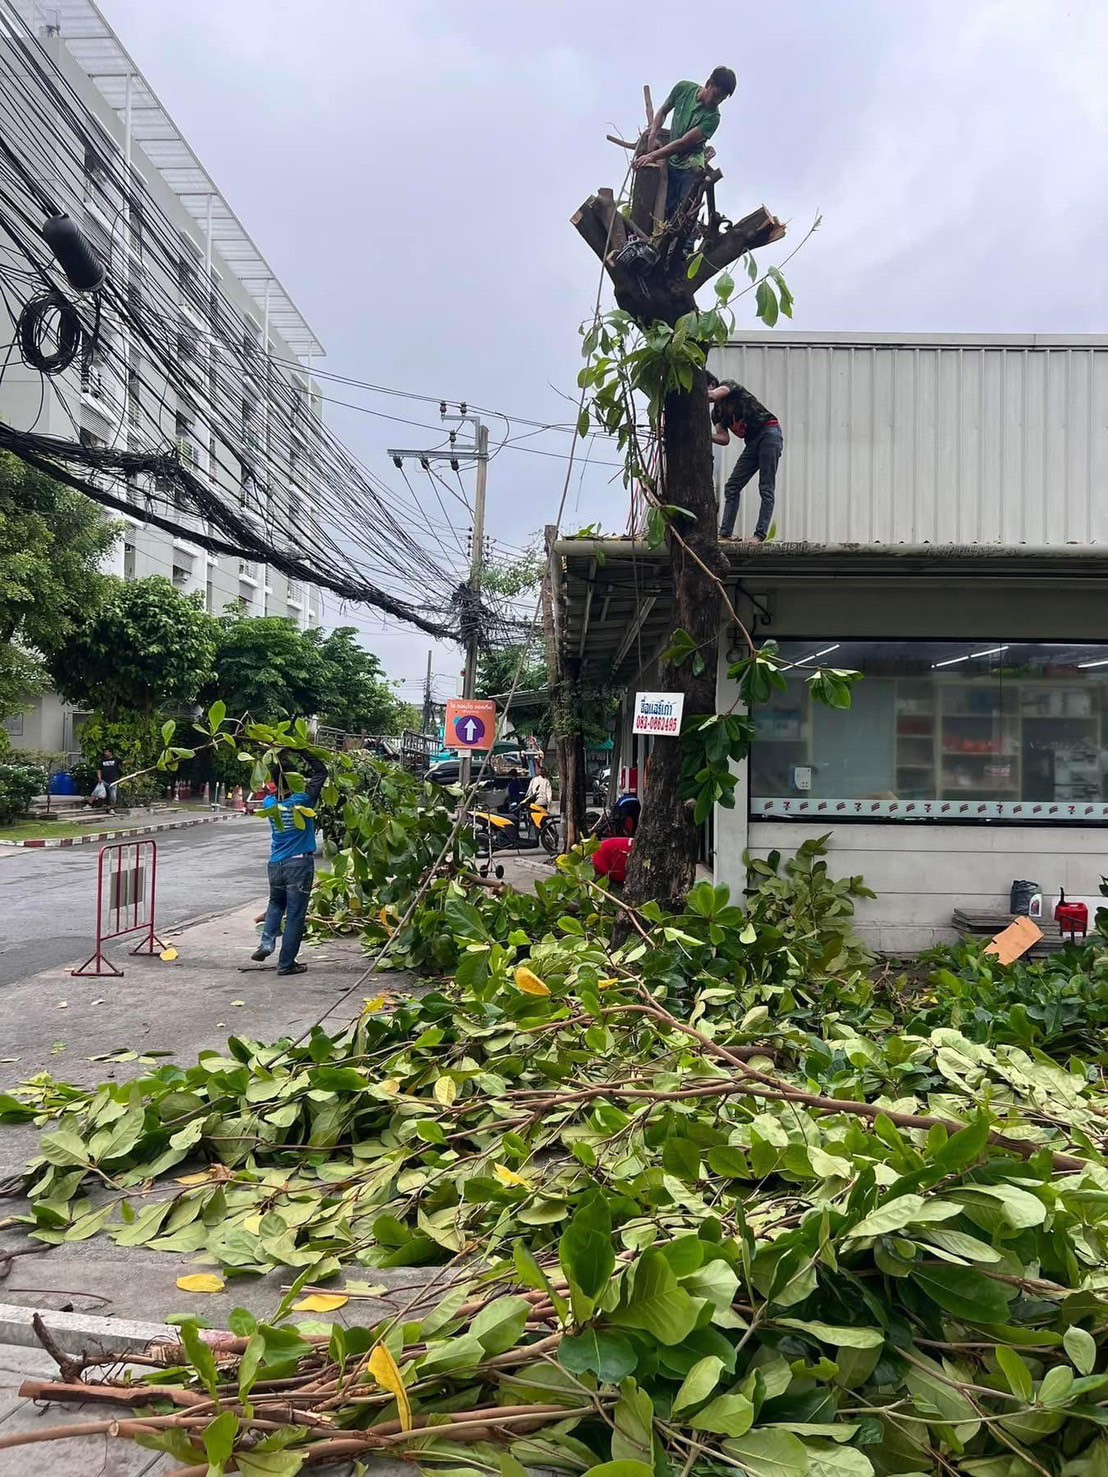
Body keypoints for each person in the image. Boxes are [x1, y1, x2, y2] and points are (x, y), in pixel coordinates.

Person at [632, 68, 737, 240]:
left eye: (722, 98)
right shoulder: (683, 89)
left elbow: (683, 143)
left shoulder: (713, 117)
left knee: (684, 216)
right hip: (671, 162)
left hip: (691, 167)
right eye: (716, 94)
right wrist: (652, 136)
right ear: (708, 84)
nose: (717, 101)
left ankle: (682, 252)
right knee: (664, 211)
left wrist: (652, 156)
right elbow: (663, 111)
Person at [250, 750, 328, 977]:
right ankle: (286, 964)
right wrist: (303, 751)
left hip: (275, 864)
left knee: (276, 904)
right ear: (294, 779)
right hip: (298, 866)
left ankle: (266, 942)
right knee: (295, 914)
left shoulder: (269, 802)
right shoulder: (302, 801)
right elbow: (321, 772)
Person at [709, 375, 783, 543]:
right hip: (752, 442)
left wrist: (692, 397)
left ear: (713, 385)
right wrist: (705, 435)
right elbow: (724, 438)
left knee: (766, 486)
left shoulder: (729, 387)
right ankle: (725, 534)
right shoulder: (716, 414)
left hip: (769, 432)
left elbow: (713, 395)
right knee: (732, 485)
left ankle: (759, 535)